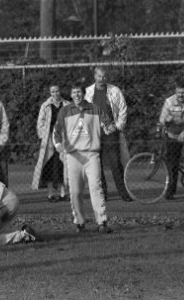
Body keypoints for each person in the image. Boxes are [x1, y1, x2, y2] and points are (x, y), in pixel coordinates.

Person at [53, 82, 114, 233]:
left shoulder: (95, 109)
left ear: (83, 93)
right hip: (73, 156)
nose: (77, 95)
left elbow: (107, 125)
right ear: (71, 95)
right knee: (75, 191)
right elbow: (56, 132)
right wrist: (59, 146)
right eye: (74, 93)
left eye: (79, 92)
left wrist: (110, 128)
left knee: (96, 188)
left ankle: (102, 222)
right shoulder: (65, 111)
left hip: (92, 154)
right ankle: (80, 222)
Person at [84, 67, 132, 202]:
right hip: (94, 132)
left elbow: (123, 110)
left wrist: (117, 127)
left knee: (116, 163)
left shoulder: (115, 91)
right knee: (96, 165)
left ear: (107, 77)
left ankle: (124, 193)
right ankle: (102, 194)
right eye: (99, 76)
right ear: (95, 76)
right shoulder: (88, 92)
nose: (101, 79)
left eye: (104, 76)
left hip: (110, 131)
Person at [158, 79, 184, 199]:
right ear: (175, 92)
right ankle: (170, 192)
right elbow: (161, 120)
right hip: (173, 134)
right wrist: (166, 120)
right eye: (179, 92)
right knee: (172, 164)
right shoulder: (169, 102)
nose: (181, 95)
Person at [32, 84, 70, 202]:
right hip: (49, 141)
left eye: (57, 91)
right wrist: (44, 135)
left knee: (63, 166)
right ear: (50, 93)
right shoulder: (45, 106)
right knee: (48, 166)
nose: (55, 93)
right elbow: (40, 123)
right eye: (52, 91)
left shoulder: (67, 105)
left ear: (60, 92)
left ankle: (64, 193)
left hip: (63, 139)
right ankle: (51, 194)